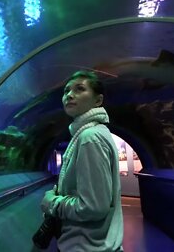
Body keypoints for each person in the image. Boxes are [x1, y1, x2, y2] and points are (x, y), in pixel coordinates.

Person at [40, 71, 124, 251]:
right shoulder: (91, 133)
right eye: (66, 91)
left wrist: (52, 203)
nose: (69, 95)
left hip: (86, 246)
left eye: (79, 89)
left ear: (98, 101)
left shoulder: (89, 137)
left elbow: (93, 207)